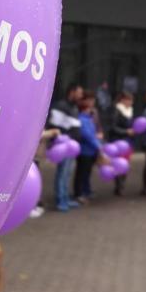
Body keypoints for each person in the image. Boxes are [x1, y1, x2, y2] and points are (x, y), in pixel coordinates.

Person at [48, 83, 83, 211]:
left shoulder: (74, 108)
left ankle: (65, 198)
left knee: (67, 173)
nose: (81, 96)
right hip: (64, 146)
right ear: (72, 92)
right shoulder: (61, 106)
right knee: (62, 173)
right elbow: (54, 126)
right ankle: (60, 200)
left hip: (72, 147)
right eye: (79, 93)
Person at [73, 90, 102, 202]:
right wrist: (98, 145)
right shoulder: (83, 120)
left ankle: (86, 191)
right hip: (84, 151)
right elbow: (88, 135)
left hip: (90, 151)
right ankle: (79, 193)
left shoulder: (88, 119)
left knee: (87, 172)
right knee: (81, 173)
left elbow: (92, 134)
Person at [108, 91, 134, 196]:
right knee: (119, 164)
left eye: (131, 100)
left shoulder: (129, 111)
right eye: (128, 100)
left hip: (127, 141)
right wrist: (126, 131)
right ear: (122, 100)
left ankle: (121, 184)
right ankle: (118, 186)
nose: (130, 102)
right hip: (118, 141)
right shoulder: (117, 111)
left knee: (126, 164)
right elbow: (113, 128)